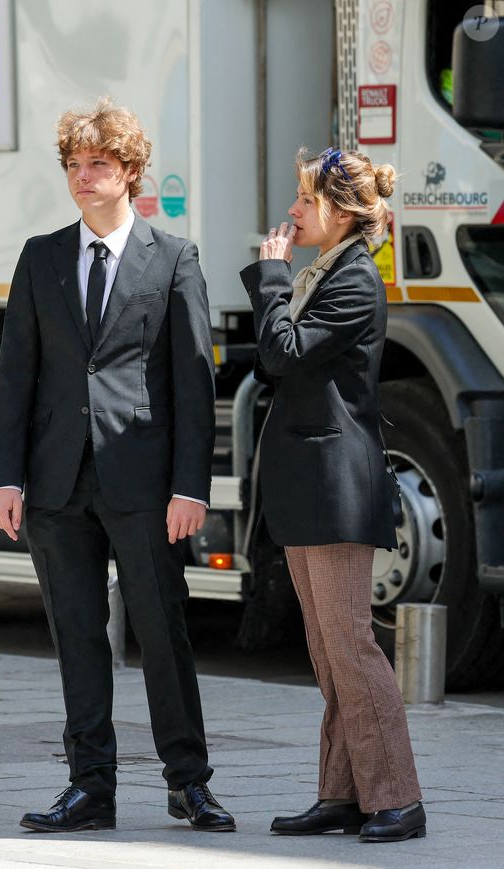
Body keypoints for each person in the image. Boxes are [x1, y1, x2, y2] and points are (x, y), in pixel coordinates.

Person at [0, 97, 235, 834]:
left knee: (163, 631)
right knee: (78, 636)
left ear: (130, 171)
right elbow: (16, 374)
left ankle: (188, 782)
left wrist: (191, 485)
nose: (83, 176)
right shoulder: (41, 257)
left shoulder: (175, 258)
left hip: (145, 483)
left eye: (98, 163)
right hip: (56, 482)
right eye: (73, 164)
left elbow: (194, 383)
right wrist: (5, 476)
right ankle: (89, 787)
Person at [240, 147, 425, 843]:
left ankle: (399, 797)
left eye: (305, 199)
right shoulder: (325, 272)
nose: (292, 211)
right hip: (310, 484)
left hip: (337, 485)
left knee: (350, 643)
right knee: (326, 648)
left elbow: (281, 354)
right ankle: (343, 792)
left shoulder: (352, 280)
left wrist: (270, 277)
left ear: (341, 213)